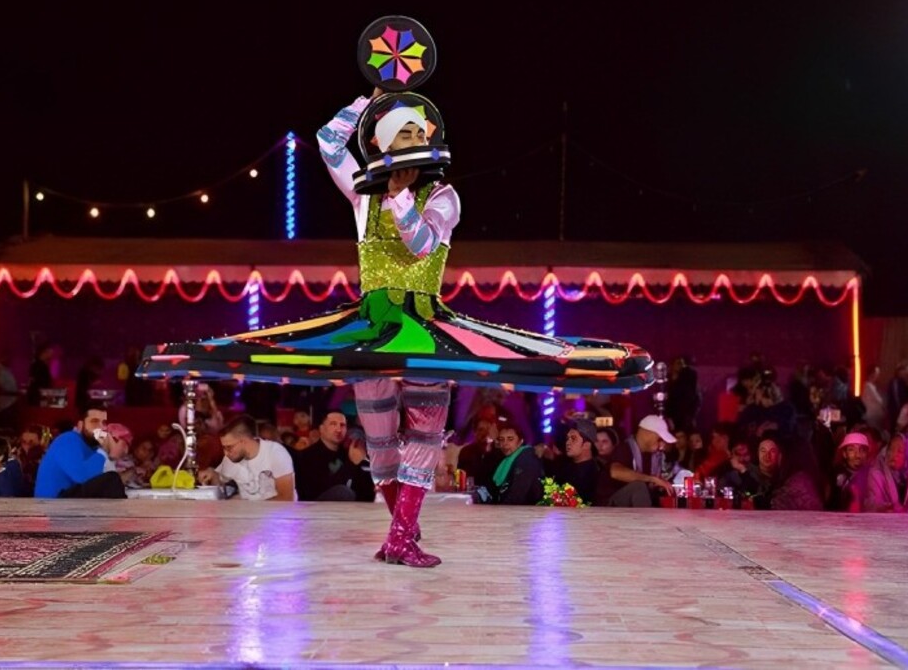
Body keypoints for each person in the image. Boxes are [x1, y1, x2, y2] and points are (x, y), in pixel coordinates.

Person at [135, 31, 651, 567]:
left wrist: (403, 197)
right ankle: (402, 531)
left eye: (416, 130)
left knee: (424, 436)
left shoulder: (444, 196)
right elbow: (328, 141)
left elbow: (421, 243)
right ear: (381, 144)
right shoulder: (364, 195)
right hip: (372, 325)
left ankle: (402, 535)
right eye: (400, 131)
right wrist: (373, 97)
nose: (412, 137)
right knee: (380, 443)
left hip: (426, 327)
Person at [33, 404, 125, 498]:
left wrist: (111, 455)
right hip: (52, 501)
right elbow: (82, 477)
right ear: (80, 425)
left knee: (112, 481)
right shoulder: (68, 439)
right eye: (94, 422)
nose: (101, 428)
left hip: (68, 500)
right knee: (111, 479)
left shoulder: (93, 448)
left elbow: (99, 477)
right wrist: (104, 452)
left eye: (104, 423)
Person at [197, 415, 295, 501]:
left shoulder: (275, 453)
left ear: (244, 441)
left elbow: (286, 498)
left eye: (229, 447)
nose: (226, 453)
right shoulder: (232, 458)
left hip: (277, 514)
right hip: (245, 513)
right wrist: (212, 474)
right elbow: (220, 483)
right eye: (224, 448)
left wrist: (250, 508)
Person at [293, 411, 374, 501]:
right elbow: (319, 489)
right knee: (343, 492)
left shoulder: (348, 452)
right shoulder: (307, 456)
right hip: (316, 505)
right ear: (321, 429)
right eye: (333, 424)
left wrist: (362, 461)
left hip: (353, 507)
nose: (339, 429)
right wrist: (351, 464)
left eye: (342, 425)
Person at [476, 421, 543, 505]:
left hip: (523, 511)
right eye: (502, 440)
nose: (505, 444)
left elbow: (516, 496)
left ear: (520, 441)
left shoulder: (526, 459)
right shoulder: (507, 460)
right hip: (509, 509)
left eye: (510, 439)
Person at [864, 433, 908, 513]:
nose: (893, 454)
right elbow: (873, 503)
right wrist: (889, 508)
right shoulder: (876, 473)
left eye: (899, 451)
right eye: (890, 449)